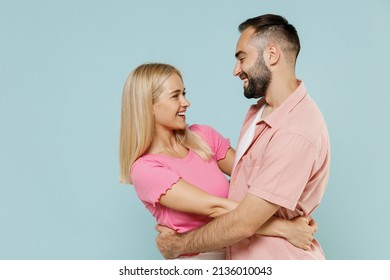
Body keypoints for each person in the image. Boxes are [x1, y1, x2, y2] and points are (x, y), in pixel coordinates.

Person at [156, 14, 330, 260]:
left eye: (241, 58)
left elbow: (244, 223)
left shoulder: (296, 130)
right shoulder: (260, 113)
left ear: (271, 54)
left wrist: (178, 245)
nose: (236, 70)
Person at [119, 63, 317, 259]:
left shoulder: (203, 137)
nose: (186, 102)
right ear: (148, 106)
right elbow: (215, 207)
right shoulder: (146, 170)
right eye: (175, 96)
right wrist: (286, 228)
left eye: (184, 93)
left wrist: (298, 218)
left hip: (243, 248)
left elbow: (253, 178)